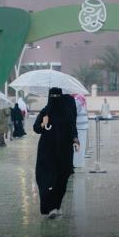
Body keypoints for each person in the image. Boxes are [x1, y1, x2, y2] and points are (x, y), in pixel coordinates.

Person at [33, 87, 79, 219]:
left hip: (64, 152)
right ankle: (49, 206)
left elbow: (72, 127)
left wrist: (75, 140)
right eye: (52, 96)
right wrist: (43, 123)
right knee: (45, 179)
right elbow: (36, 128)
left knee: (61, 180)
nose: (54, 99)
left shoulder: (66, 112)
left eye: (57, 96)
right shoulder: (45, 111)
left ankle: (56, 206)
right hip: (46, 152)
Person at [72, 94, 88, 168]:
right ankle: (79, 163)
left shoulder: (76, 100)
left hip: (79, 126)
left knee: (78, 146)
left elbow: (74, 112)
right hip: (83, 126)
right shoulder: (81, 98)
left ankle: (77, 164)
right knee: (81, 146)